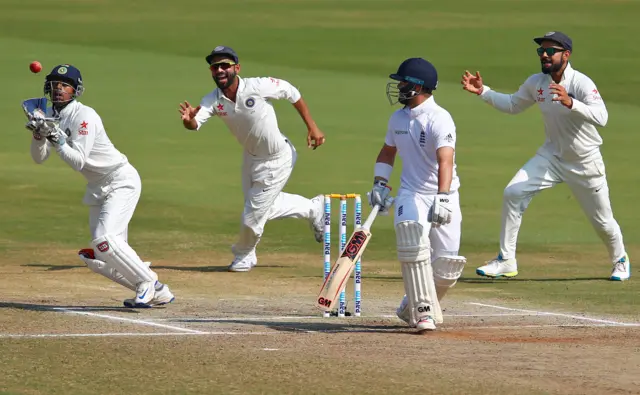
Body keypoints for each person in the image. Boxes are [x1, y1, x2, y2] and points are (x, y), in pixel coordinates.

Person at [461, 31, 630, 281]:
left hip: (585, 161)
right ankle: (506, 260)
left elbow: (602, 117)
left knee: (603, 222)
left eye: (551, 51)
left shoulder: (581, 83)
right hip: (552, 156)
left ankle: (620, 260)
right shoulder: (536, 82)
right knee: (513, 192)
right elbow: (512, 105)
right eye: (542, 51)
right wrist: (483, 91)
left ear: (566, 54)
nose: (545, 55)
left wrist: (571, 103)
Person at [25, 64, 174, 307]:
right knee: (100, 256)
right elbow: (39, 158)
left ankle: (147, 281)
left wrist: (57, 139)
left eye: (64, 85)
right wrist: (39, 135)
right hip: (97, 186)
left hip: (120, 180)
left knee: (104, 240)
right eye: (54, 85)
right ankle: (158, 290)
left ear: (75, 90)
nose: (58, 89)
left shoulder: (85, 116)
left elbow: (78, 161)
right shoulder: (52, 115)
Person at [178, 46, 327, 272]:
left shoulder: (257, 86)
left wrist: (312, 127)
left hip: (278, 158)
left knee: (251, 217)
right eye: (215, 66)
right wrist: (188, 120)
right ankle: (313, 209)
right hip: (251, 157)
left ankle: (244, 255)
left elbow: (291, 92)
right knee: (260, 207)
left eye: (225, 65)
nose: (220, 70)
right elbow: (195, 124)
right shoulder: (212, 99)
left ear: (236, 68)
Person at [369, 58, 466, 332]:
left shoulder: (439, 118)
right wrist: (379, 183)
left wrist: (444, 196)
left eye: (403, 82)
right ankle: (423, 313)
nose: (398, 86)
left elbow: (445, 159)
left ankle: (409, 304)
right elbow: (388, 152)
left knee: (446, 268)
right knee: (413, 241)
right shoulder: (397, 118)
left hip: (442, 193)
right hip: (411, 193)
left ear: (418, 86)